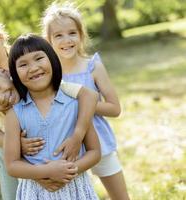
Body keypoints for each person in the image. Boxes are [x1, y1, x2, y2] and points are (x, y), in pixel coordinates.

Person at [0, 14, 99, 199]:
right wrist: (18, 145)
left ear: (0, 37)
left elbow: (84, 96)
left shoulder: (28, 64)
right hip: (9, 144)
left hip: (49, 136)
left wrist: (77, 134)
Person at [41, 2, 130, 199]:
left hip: (100, 141)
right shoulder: (48, 72)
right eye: (58, 35)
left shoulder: (92, 66)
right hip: (65, 145)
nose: (67, 40)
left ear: (81, 35)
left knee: (121, 197)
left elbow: (115, 108)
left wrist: (84, 102)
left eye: (72, 33)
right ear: (49, 40)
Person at [5, 34, 100, 199]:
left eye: (38, 58)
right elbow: (12, 165)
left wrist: (68, 172)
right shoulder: (14, 114)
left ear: (52, 60)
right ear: (15, 73)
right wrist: (46, 172)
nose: (33, 68)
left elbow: (95, 152)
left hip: (74, 187)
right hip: (36, 192)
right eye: (23, 64)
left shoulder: (75, 104)